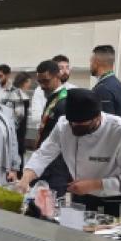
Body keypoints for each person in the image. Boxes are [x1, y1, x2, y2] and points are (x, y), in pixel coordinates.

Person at [17, 89, 121, 216]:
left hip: (116, 198)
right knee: (77, 233)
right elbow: (44, 154)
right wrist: (25, 178)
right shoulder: (63, 126)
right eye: (72, 123)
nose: (74, 128)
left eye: (81, 125)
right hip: (81, 195)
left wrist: (93, 184)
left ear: (97, 117)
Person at [34, 60, 71, 196]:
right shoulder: (53, 99)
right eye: (40, 81)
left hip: (57, 167)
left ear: (57, 77)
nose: (42, 86)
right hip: (47, 163)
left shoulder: (64, 102)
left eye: (46, 81)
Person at [29, 55, 77, 130]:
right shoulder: (40, 90)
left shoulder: (74, 90)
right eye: (61, 68)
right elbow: (35, 117)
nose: (65, 71)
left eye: (67, 67)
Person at [2, 71, 32, 173]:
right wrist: (12, 129)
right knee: (17, 155)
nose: (30, 84)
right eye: (29, 82)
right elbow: (19, 115)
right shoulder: (19, 94)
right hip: (17, 132)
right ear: (24, 82)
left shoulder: (10, 93)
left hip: (11, 131)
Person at [91, 45, 121, 119]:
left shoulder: (102, 89)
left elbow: (105, 123)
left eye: (91, 61)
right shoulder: (117, 84)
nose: (90, 65)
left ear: (97, 62)